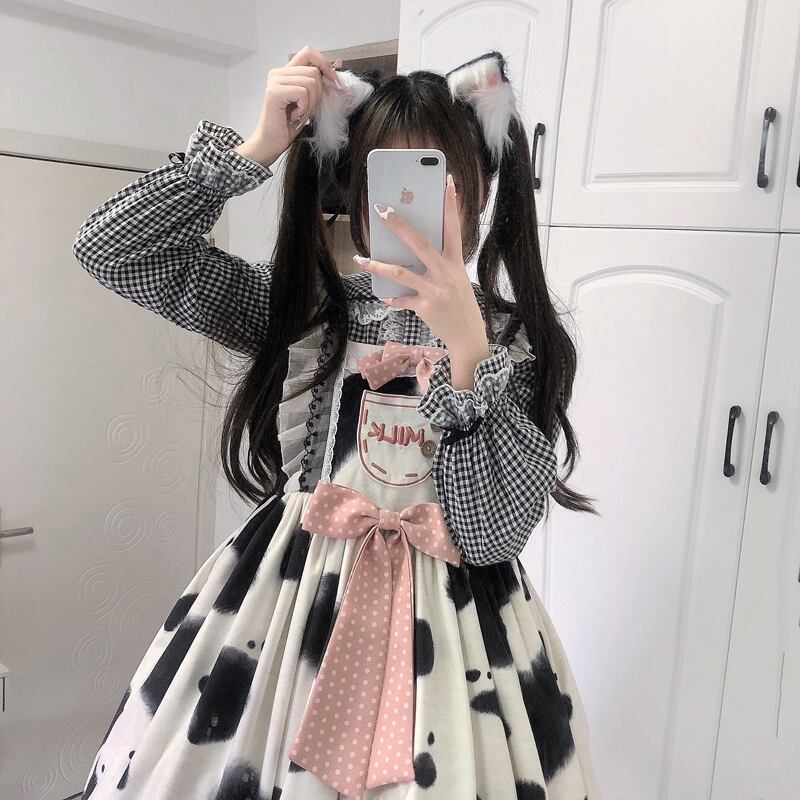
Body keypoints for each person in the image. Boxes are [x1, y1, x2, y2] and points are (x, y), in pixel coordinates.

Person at [71, 44, 602, 800]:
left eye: (436, 176)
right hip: (286, 618)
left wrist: (467, 351)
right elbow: (113, 252)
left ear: (480, 187)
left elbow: (490, 536)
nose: (410, 203)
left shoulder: (516, 343)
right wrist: (254, 150)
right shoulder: (307, 313)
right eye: (390, 177)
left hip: (460, 650)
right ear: (355, 189)